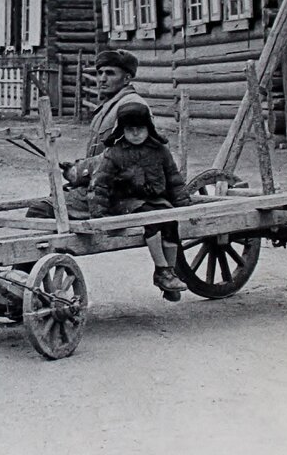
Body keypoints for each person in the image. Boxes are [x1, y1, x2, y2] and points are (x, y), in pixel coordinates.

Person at [25, 49, 147, 220]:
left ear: (127, 78)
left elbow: (126, 156)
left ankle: (65, 246)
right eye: (100, 73)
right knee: (53, 198)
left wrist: (80, 170)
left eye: (110, 73)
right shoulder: (109, 106)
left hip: (120, 191)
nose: (102, 78)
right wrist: (78, 168)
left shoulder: (131, 106)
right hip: (103, 183)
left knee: (40, 211)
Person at [87, 102, 191, 301]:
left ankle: (169, 273)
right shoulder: (114, 153)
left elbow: (174, 179)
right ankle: (162, 270)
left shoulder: (159, 150)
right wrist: (98, 215)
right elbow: (99, 185)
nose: (135, 134)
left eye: (140, 129)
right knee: (153, 217)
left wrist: (183, 206)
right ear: (122, 130)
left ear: (148, 128)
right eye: (130, 129)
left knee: (170, 220)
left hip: (154, 200)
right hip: (125, 203)